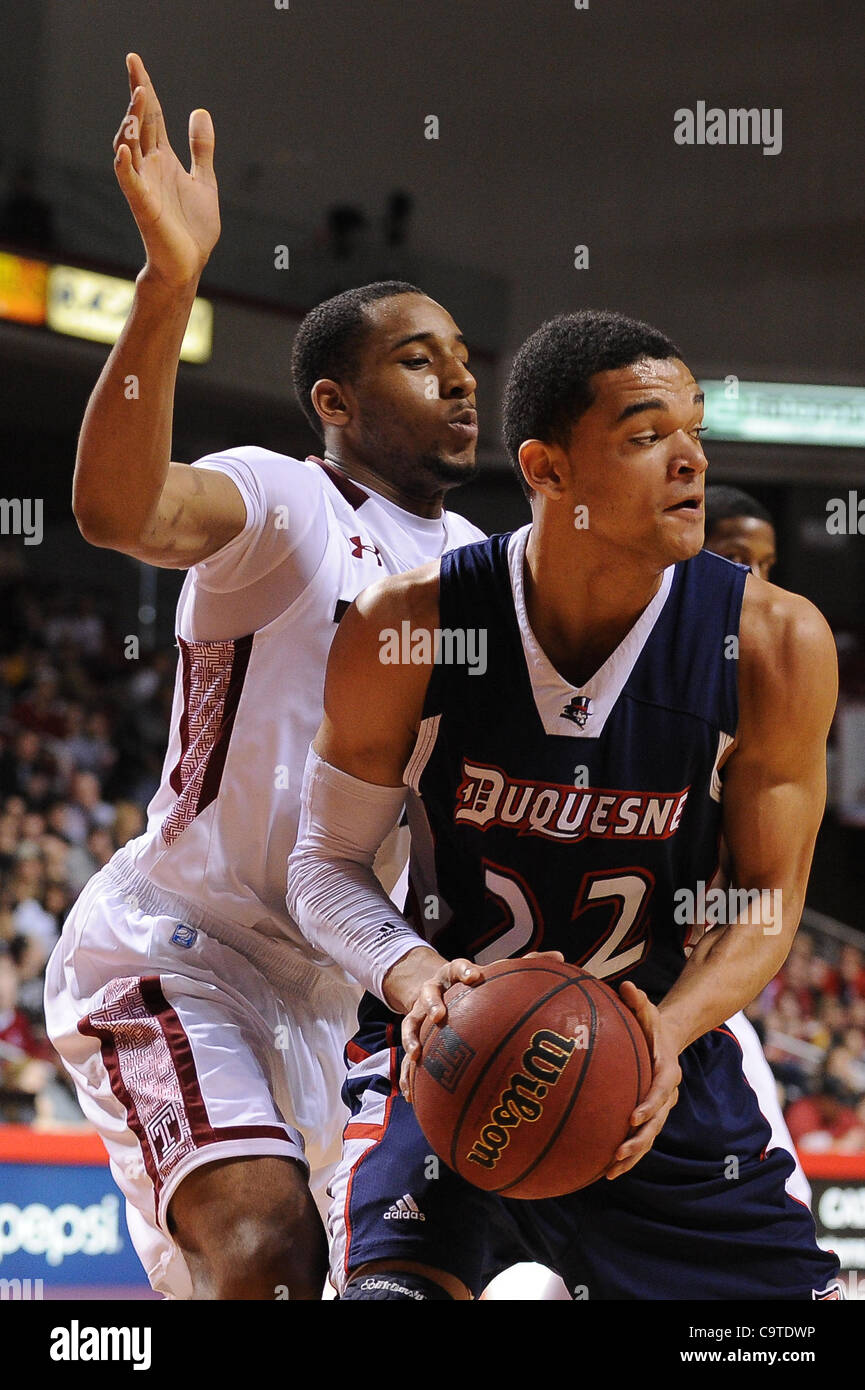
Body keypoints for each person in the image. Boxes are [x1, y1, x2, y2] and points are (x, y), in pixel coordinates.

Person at [288, 310, 842, 1300]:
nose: (689, 462)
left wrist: (660, 1039)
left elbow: (762, 899)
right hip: (450, 1067)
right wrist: (421, 983)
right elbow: (321, 865)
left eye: (694, 431)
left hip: (656, 1083)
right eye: (644, 435)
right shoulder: (407, 625)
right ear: (545, 469)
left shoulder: (774, 643)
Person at [44, 52, 482, 1301]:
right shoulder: (287, 500)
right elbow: (115, 505)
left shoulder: (480, 569)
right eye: (416, 359)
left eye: (459, 357)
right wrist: (167, 283)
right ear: (335, 400)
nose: (456, 377)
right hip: (178, 946)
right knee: (268, 1255)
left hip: (335, 991)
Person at [701, 483, 810, 1207]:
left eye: (767, 565)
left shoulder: (774, 680)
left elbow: (770, 888)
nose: (755, 583)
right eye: (736, 558)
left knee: (786, 1217)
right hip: (569, 976)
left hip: (699, 1000)